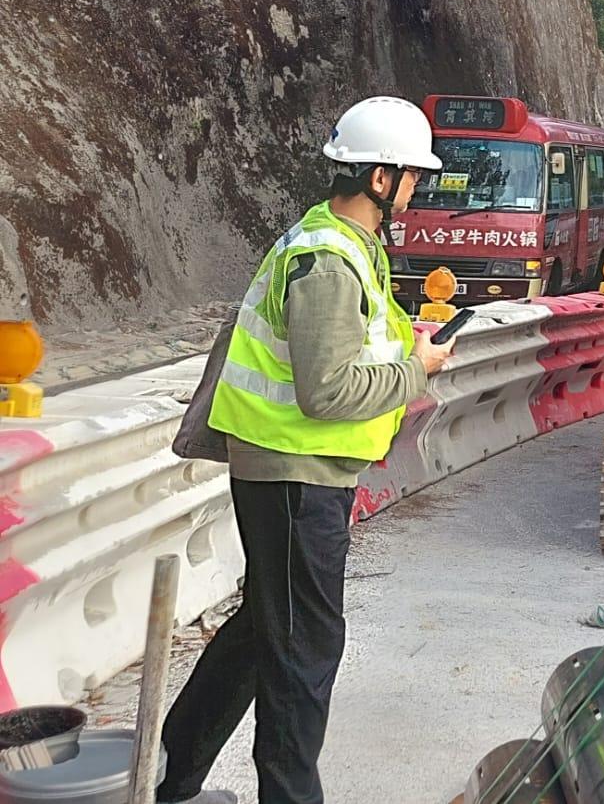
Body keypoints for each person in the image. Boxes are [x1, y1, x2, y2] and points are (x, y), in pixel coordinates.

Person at [155, 97, 457, 804]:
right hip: (294, 476)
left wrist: (404, 351)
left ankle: (168, 775)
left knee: (267, 629)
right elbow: (328, 391)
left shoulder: (341, 245)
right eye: (411, 175)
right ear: (381, 178)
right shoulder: (327, 260)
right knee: (302, 654)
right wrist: (419, 370)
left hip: (295, 470)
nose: (417, 187)